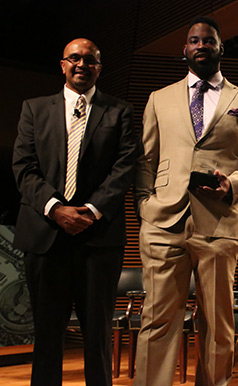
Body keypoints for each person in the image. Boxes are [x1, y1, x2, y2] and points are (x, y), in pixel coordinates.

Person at [133, 16, 238, 386]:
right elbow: (146, 159)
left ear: (219, 47)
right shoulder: (158, 99)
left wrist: (235, 183)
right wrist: (145, 207)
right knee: (158, 319)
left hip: (220, 223)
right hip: (163, 222)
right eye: (194, 41)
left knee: (217, 323)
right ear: (185, 49)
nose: (201, 46)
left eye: (208, 40)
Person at [11, 38, 138, 386]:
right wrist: (56, 209)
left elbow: (124, 167)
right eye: (75, 58)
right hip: (45, 236)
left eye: (91, 60)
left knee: (97, 336)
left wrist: (91, 211)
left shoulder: (120, 111)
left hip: (98, 240)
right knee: (48, 336)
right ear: (63, 64)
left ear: (100, 67)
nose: (82, 64)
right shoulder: (34, 109)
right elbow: (23, 167)